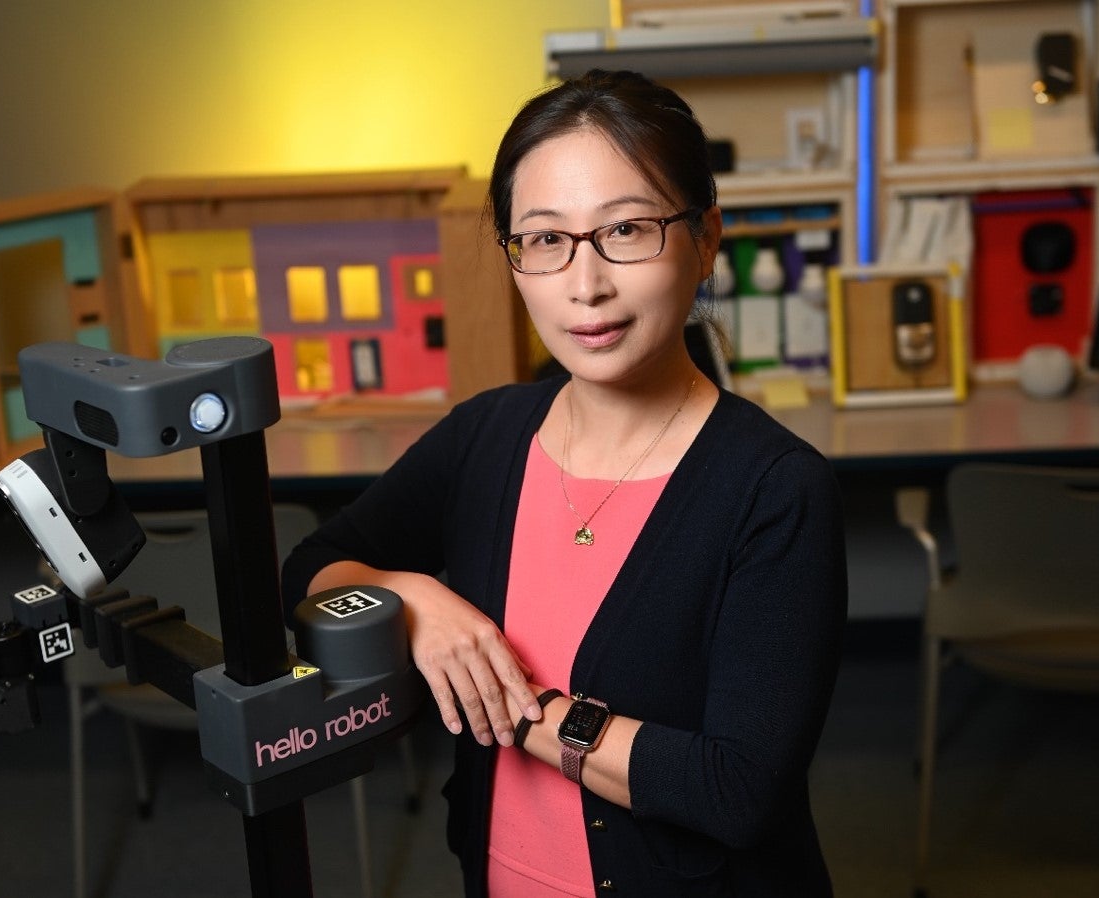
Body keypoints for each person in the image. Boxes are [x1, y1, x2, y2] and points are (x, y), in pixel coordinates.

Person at [282, 69, 847, 898]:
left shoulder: (775, 489)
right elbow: (315, 565)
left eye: (626, 230)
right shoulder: (487, 436)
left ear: (706, 238)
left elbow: (737, 790)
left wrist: (513, 703)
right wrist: (406, 599)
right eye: (545, 240)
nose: (585, 285)